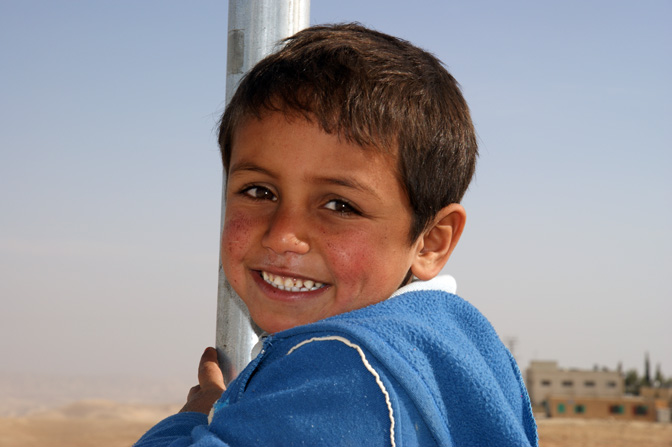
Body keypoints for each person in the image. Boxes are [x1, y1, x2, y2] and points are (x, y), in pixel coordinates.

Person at [135, 23, 538, 446]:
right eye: (259, 192)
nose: (283, 235)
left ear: (430, 241)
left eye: (340, 206)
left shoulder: (347, 366)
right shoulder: (466, 346)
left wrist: (194, 421)